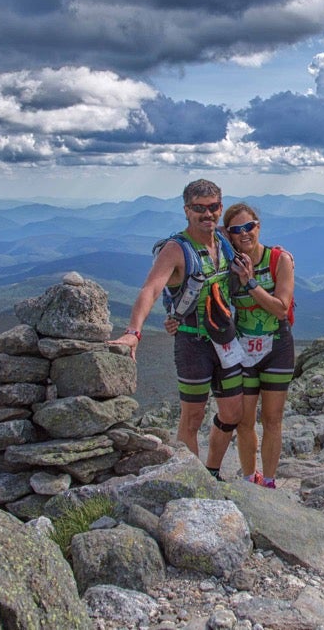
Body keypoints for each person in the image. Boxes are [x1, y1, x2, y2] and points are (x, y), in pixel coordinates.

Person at [109, 178, 244, 480]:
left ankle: (211, 471)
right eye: (199, 208)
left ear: (220, 208)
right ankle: (192, 482)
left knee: (233, 412)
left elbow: (251, 240)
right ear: (186, 210)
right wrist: (134, 330)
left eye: (212, 207)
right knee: (192, 417)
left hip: (225, 338)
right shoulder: (176, 249)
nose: (207, 214)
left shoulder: (223, 239)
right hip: (192, 342)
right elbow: (150, 289)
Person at [221, 203, 295, 489]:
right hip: (243, 349)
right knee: (244, 420)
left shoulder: (279, 259)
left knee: (272, 419)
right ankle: (250, 479)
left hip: (277, 346)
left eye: (249, 226)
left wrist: (250, 282)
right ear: (229, 235)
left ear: (258, 226)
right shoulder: (227, 265)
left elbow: (281, 308)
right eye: (236, 230)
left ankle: (270, 480)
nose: (244, 234)